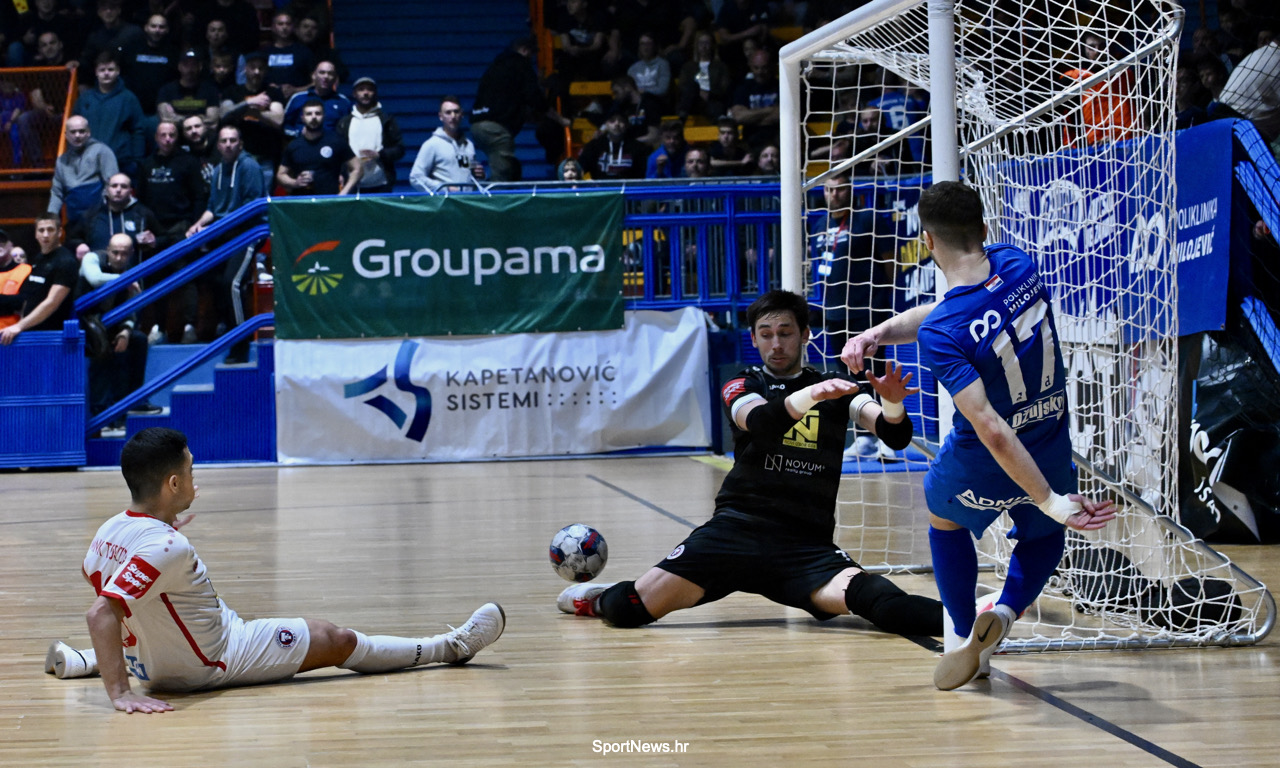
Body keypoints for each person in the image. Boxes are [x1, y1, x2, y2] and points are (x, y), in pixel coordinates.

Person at [839, 181, 1117, 690]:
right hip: (1048, 442)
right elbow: (954, 310)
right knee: (1044, 534)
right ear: (984, 228)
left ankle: (965, 635)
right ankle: (1006, 611)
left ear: (927, 241)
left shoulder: (942, 333)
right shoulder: (1018, 264)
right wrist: (881, 332)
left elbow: (990, 426)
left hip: (984, 460)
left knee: (943, 516)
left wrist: (1052, 502)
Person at [560, 289, 942, 637]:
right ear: (754, 338)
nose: (776, 344)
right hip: (735, 532)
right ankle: (593, 598)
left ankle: (970, 622)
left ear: (805, 334)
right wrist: (813, 393)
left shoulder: (837, 387)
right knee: (627, 608)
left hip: (805, 547)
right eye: (766, 334)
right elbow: (761, 422)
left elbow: (894, 435)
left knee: (880, 600)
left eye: (785, 333)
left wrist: (893, 404)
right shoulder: (743, 384)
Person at [43, 427, 505, 712]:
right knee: (335, 638)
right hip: (216, 658)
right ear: (173, 482)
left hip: (157, 661)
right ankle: (452, 647)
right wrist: (121, 694)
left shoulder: (110, 530)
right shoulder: (166, 546)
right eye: (191, 471)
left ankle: (87, 660)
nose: (196, 480)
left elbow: (126, 594)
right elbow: (101, 613)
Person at [136, 120, 207, 344]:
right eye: (163, 135)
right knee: (156, 278)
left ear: (177, 137)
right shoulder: (146, 164)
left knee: (185, 275)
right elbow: (141, 200)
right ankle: (158, 328)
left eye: (172, 135)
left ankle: (189, 326)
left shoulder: (189, 162)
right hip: (155, 229)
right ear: (156, 138)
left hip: (181, 227)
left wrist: (195, 225)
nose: (167, 139)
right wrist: (145, 229)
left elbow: (199, 196)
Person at [78, 233, 162, 419]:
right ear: (107, 250)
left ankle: (134, 401)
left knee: (138, 340)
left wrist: (125, 331)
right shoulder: (92, 258)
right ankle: (100, 412)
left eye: (124, 254)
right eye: (115, 252)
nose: (118, 257)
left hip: (111, 324)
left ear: (131, 253)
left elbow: (131, 311)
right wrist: (125, 280)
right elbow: (95, 279)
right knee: (100, 345)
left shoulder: (131, 273)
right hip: (85, 324)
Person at [470, 38, 571, 182]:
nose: (532, 58)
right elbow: (535, 98)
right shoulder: (520, 63)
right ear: (524, 50)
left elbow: (510, 101)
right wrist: (560, 120)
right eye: (531, 54)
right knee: (502, 177)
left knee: (512, 168)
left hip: (477, 125)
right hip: (495, 129)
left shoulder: (497, 65)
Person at [0, 213, 77, 346]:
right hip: (30, 332)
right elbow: (29, 298)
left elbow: (52, 302)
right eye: (41, 230)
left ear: (59, 232)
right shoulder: (39, 259)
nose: (45, 235)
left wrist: (19, 326)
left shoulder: (65, 261)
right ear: (36, 234)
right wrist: (21, 324)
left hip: (52, 337)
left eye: (50, 230)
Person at [74, 51, 147, 177]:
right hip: (88, 163)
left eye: (110, 69)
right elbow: (74, 130)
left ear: (118, 71)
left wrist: (137, 161)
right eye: (102, 70)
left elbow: (138, 130)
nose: (106, 73)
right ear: (96, 72)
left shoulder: (128, 98)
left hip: (121, 163)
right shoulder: (85, 99)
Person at [277, 99, 361, 196]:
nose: (313, 117)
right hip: (301, 201)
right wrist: (295, 183)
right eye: (309, 114)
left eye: (318, 113)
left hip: (329, 200)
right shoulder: (294, 145)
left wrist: (343, 194)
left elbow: (357, 169)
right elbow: (280, 175)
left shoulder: (336, 141)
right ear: (302, 118)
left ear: (324, 116)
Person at [48, 116, 120, 222]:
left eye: (81, 131)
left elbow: (113, 184)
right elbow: (56, 193)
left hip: (99, 217)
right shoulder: (61, 160)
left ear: (88, 133)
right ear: (66, 135)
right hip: (74, 218)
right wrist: (50, 218)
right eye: (73, 132)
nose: (77, 135)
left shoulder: (102, 151)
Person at [70, 172, 160, 255]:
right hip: (99, 267)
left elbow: (164, 238)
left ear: (130, 191)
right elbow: (71, 239)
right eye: (114, 186)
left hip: (136, 267)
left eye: (124, 186)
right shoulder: (91, 214)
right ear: (107, 190)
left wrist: (154, 241)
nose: (118, 190)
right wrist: (79, 245)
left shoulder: (143, 213)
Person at [409, 95, 483, 193]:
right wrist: (444, 188)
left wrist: (479, 176)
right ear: (441, 116)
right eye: (448, 112)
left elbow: (466, 172)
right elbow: (415, 177)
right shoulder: (432, 145)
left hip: (466, 200)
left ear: (462, 114)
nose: (453, 116)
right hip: (444, 201)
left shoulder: (468, 145)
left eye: (456, 112)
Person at [121, 14, 178, 116]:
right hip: (133, 106)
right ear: (146, 27)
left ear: (167, 30)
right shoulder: (132, 49)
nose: (157, 30)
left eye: (161, 27)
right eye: (153, 26)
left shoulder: (173, 52)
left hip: (162, 108)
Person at [282, 58, 350, 138]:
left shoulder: (343, 102)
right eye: (322, 72)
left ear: (335, 78)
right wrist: (299, 133)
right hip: (302, 142)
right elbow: (285, 126)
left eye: (330, 73)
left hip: (332, 144)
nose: (326, 76)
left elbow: (349, 129)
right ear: (313, 76)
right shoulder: (298, 98)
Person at [156, 49, 220, 126]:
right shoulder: (167, 90)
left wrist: (178, 118)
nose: (190, 69)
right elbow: (166, 118)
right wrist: (200, 117)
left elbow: (212, 119)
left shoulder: (210, 90)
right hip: (175, 131)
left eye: (193, 65)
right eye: (186, 65)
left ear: (200, 67)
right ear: (179, 67)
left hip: (201, 131)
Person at [577, 110, 649, 180]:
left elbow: (641, 175)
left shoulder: (638, 147)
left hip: (629, 187)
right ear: (606, 124)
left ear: (627, 125)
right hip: (601, 187)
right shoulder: (593, 146)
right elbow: (580, 169)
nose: (617, 124)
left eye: (621, 121)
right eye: (612, 121)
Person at [262, 11, 313, 100]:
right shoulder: (265, 52)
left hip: (298, 99)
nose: (284, 27)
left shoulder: (303, 51)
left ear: (293, 27)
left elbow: (315, 83)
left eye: (288, 24)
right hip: (269, 99)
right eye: (280, 24)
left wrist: (296, 90)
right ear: (273, 27)